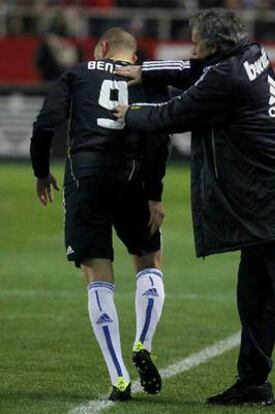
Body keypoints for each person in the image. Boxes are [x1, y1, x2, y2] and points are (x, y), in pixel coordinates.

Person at [114, 8, 275, 412]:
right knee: (254, 299)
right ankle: (253, 383)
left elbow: (174, 114)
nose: (192, 46)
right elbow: (191, 67)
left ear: (214, 43)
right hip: (257, 202)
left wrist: (129, 113)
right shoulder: (247, 54)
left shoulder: (228, 78)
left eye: (197, 39)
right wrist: (146, 72)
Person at [30, 28, 170, 401]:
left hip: (86, 178)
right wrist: (154, 195)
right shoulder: (145, 76)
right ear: (133, 55)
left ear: (103, 47)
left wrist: (41, 172)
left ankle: (119, 376)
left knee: (96, 272)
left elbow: (45, 125)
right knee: (149, 261)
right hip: (134, 178)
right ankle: (143, 342)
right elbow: (160, 137)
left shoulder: (77, 73)